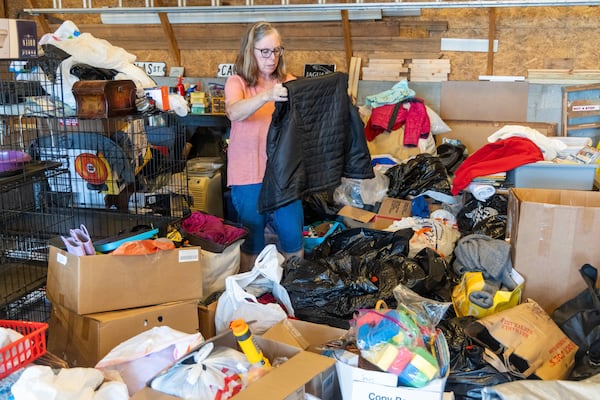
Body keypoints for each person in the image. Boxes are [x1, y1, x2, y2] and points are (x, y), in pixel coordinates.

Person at [225, 21, 304, 272]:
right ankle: (248, 295)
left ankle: (299, 294)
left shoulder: (289, 82)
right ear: (251, 51)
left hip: (284, 174)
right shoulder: (237, 82)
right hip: (248, 172)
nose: (272, 58)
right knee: (252, 240)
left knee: (293, 235)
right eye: (265, 51)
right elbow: (234, 111)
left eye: (277, 50)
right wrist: (266, 96)